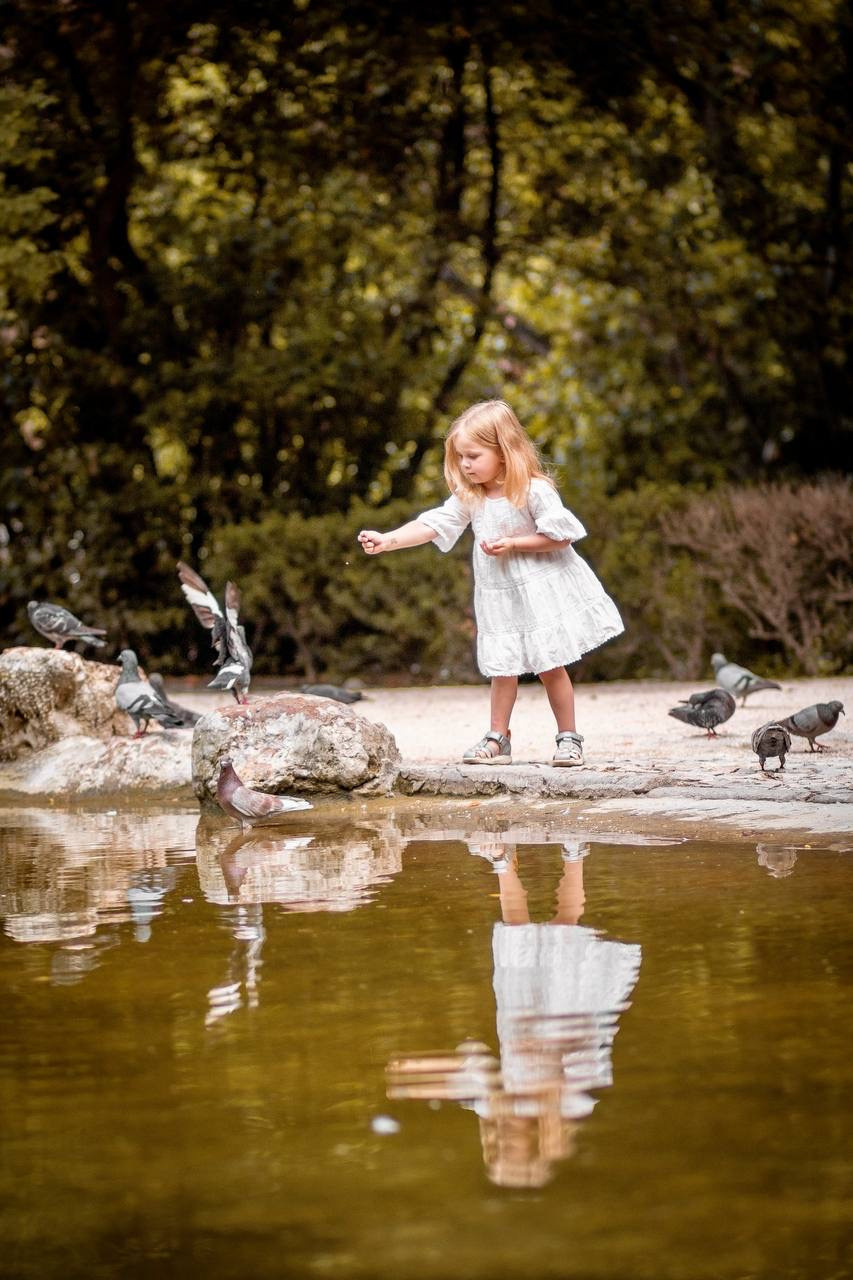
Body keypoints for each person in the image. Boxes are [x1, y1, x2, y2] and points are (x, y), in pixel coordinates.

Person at [357, 399, 624, 765]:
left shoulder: (532, 490)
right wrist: (389, 539)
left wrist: (514, 543)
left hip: (537, 592)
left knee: (550, 666)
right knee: (503, 667)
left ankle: (568, 737)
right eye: (460, 458)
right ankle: (498, 737)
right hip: (499, 596)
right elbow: (434, 523)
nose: (465, 465)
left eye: (473, 456)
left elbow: (561, 536)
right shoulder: (471, 496)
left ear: (503, 451)